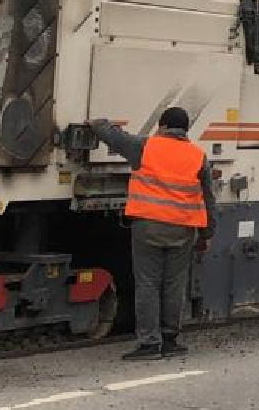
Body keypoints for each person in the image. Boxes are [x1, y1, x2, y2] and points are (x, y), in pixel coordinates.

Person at [90, 108, 216, 360]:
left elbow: (111, 134)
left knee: (148, 284)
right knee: (174, 285)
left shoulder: (145, 146)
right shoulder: (198, 156)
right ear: (185, 129)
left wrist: (94, 121)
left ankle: (149, 343)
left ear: (162, 126)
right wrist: (207, 233)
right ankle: (170, 340)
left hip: (149, 227)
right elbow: (208, 198)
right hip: (183, 228)